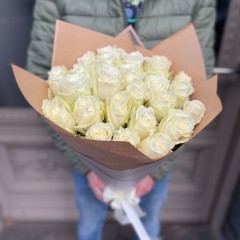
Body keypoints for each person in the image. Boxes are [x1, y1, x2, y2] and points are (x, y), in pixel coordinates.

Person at [26, 0, 215, 239]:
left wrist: (156, 169)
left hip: (159, 154)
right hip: (85, 156)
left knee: (148, 224)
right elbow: (42, 79)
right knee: (89, 224)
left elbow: (200, 80)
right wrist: (86, 166)